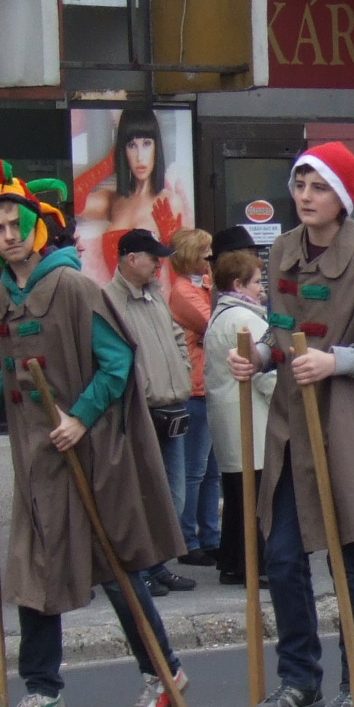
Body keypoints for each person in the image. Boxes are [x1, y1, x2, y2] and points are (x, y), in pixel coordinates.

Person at [0, 167, 190, 707]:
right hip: (36, 459)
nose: (9, 235)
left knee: (114, 566)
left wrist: (79, 418)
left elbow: (117, 363)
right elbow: (15, 367)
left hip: (87, 454)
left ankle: (163, 671)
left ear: (37, 227)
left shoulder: (73, 286)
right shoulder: (0, 297)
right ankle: (43, 687)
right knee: (33, 566)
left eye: (17, 224)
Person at [237, 143, 354, 707]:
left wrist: (336, 360)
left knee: (350, 551)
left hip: (347, 421)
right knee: (283, 554)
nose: (305, 197)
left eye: (318, 187)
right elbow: (281, 330)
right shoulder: (281, 251)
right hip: (292, 423)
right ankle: (300, 679)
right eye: (299, 185)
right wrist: (260, 356)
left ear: (342, 197)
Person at [108, 229, 199, 598]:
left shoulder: (155, 296)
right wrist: (141, 390)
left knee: (172, 495)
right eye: (153, 257)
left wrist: (182, 372)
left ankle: (158, 564)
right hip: (140, 411)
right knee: (142, 497)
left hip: (172, 405)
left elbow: (178, 337)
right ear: (132, 259)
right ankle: (141, 569)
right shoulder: (110, 301)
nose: (160, 263)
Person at [202, 235, 273, 586]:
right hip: (251, 417)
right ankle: (256, 565)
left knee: (236, 495)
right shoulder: (247, 319)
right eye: (257, 281)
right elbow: (266, 371)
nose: (262, 288)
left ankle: (232, 562)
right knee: (256, 497)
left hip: (227, 415)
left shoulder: (220, 315)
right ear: (238, 285)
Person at [74, 104, 191, 283]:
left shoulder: (169, 202)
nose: (140, 156)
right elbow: (74, 201)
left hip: (149, 298)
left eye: (146, 144)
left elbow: (182, 276)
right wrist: (108, 164)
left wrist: (170, 242)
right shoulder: (114, 200)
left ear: (157, 147)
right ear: (123, 150)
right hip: (112, 297)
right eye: (131, 145)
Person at [163, 227, 222, 567]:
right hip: (195, 388)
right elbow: (215, 325)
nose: (210, 258)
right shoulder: (184, 292)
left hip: (209, 386)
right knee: (195, 470)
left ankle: (210, 536)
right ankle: (188, 539)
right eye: (204, 252)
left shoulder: (202, 287)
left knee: (211, 471)